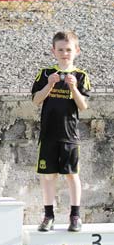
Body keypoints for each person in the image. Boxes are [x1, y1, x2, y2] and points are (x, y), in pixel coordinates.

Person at [32, 31, 90, 232]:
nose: (65, 53)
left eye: (68, 50)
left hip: (69, 135)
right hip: (48, 135)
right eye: (60, 50)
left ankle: (75, 215)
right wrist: (50, 84)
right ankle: (48, 215)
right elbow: (36, 100)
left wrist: (73, 89)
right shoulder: (46, 73)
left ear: (76, 51)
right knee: (49, 176)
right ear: (53, 51)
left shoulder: (81, 76)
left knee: (72, 175)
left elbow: (83, 106)